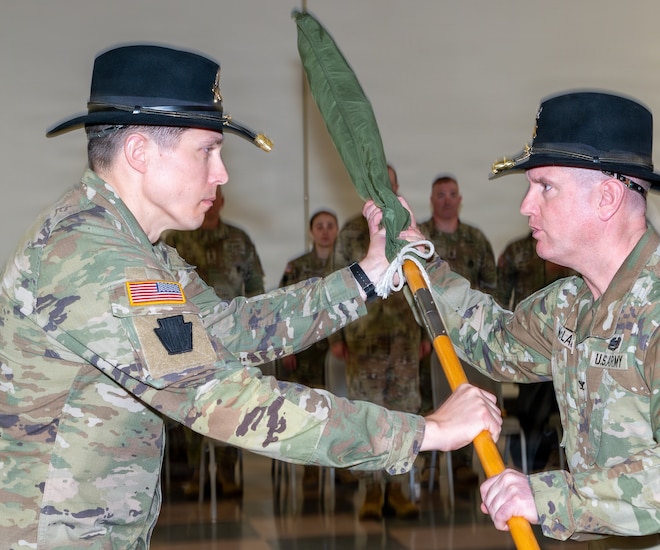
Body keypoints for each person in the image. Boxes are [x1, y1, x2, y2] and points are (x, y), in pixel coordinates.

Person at [0, 44, 502, 549]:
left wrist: (366, 276)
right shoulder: (93, 255)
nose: (222, 175)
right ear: (140, 153)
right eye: (206, 151)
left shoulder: (138, 248)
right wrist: (424, 432)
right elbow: (223, 399)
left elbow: (230, 331)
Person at [384, 91, 660, 547]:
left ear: (607, 198)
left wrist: (550, 497)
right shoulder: (572, 303)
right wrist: (418, 260)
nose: (526, 205)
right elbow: (493, 342)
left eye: (545, 186)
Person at [330, 164, 431, 520]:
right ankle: (371, 493)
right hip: (364, 340)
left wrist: (428, 334)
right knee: (368, 417)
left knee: (405, 413)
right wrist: (338, 337)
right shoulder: (349, 234)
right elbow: (336, 287)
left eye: (390, 184)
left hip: (404, 341)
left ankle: (400, 491)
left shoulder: (410, 230)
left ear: (397, 187)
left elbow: (426, 285)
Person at [162, 186, 265, 496]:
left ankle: (226, 472)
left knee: (233, 403)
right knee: (195, 405)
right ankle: (195, 474)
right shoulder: (178, 238)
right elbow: (162, 286)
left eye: (217, 194)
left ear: (222, 201)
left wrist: (256, 329)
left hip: (232, 339)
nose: (212, 198)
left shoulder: (239, 239)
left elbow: (256, 285)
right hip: (190, 336)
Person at [419, 174, 498, 486]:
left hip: (470, 336)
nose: (447, 200)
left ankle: (464, 462)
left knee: (468, 392)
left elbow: (493, 285)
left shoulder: (476, 239)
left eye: (452, 194)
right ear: (432, 200)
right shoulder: (422, 240)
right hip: (428, 335)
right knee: (428, 395)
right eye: (441, 195)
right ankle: (429, 465)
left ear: (460, 199)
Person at [495, 232, 575, 473]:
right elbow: (499, 302)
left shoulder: (570, 246)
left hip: (567, 347)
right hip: (528, 347)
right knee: (534, 397)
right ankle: (531, 462)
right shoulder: (516, 252)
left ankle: (551, 455)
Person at [276, 208, 339, 388]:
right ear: (311, 232)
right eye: (319, 227)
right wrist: (286, 348)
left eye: (330, 226)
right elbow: (282, 307)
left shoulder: (348, 267)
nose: (325, 231)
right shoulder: (297, 266)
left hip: (339, 346)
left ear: (337, 231)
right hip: (305, 346)